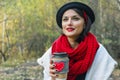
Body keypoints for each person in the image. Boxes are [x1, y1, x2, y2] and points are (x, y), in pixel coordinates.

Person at [37, 2, 117, 80]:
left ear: (85, 23)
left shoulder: (98, 51)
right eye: (65, 19)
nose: (69, 23)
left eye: (75, 19)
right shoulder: (53, 51)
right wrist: (53, 78)